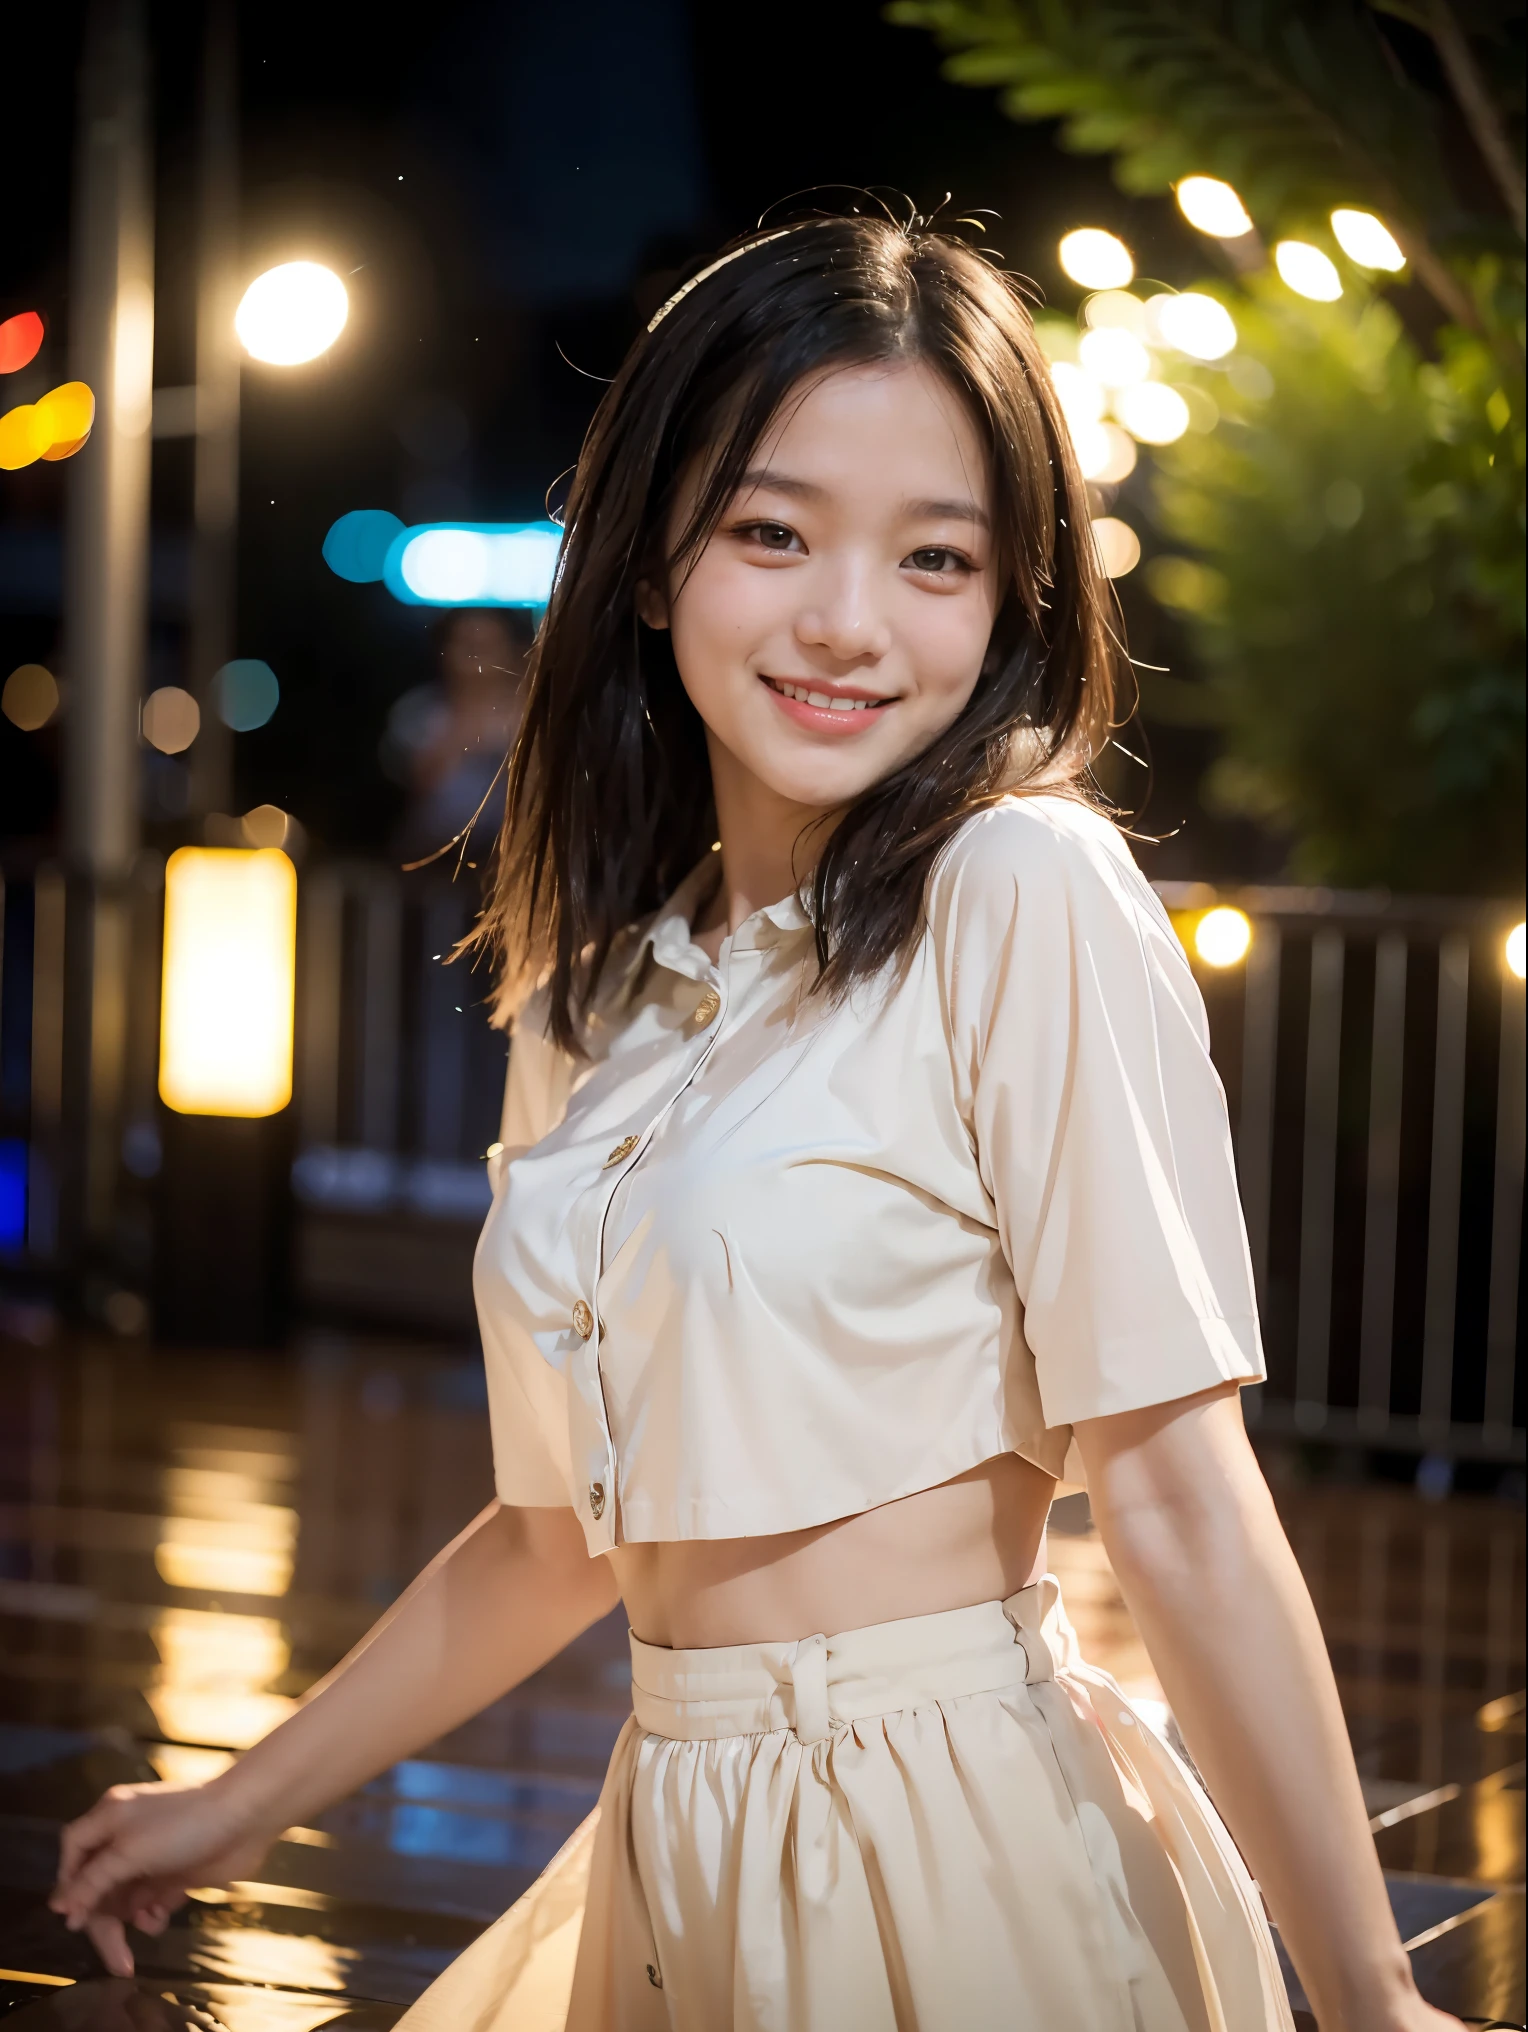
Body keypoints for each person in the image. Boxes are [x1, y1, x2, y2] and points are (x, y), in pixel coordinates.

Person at [50, 214, 1460, 2032]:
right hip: (675, 1830)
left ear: (1010, 601)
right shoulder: (600, 989)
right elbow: (559, 1531)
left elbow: (1178, 1493)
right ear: (649, 563)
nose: (844, 622)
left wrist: (1366, 1998)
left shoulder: (1019, 889)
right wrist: (230, 1801)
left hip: (955, 1840)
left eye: (933, 557)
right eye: (769, 531)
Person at [384, 606, 532, 870]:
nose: (474, 656)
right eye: (465, 644)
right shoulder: (419, 713)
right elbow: (411, 786)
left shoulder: (534, 717)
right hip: (432, 862)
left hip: (516, 861)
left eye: (486, 645)